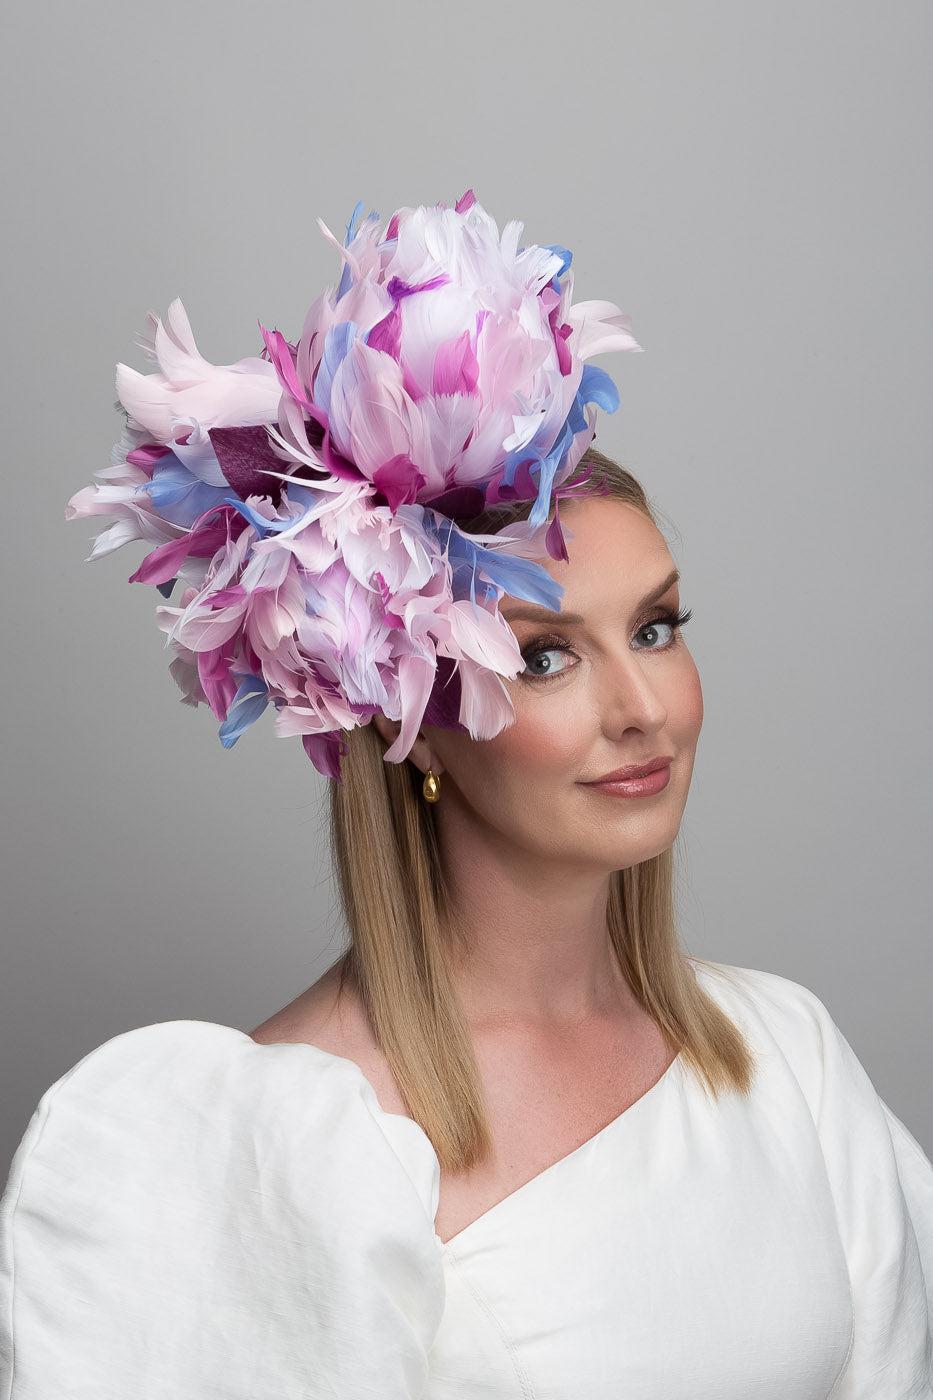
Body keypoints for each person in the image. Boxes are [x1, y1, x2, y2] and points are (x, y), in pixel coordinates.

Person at [1, 193, 930, 1397]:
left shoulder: (783, 1058)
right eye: (544, 655)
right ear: (412, 718)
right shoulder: (275, 1145)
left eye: (656, 627)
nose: (642, 705)